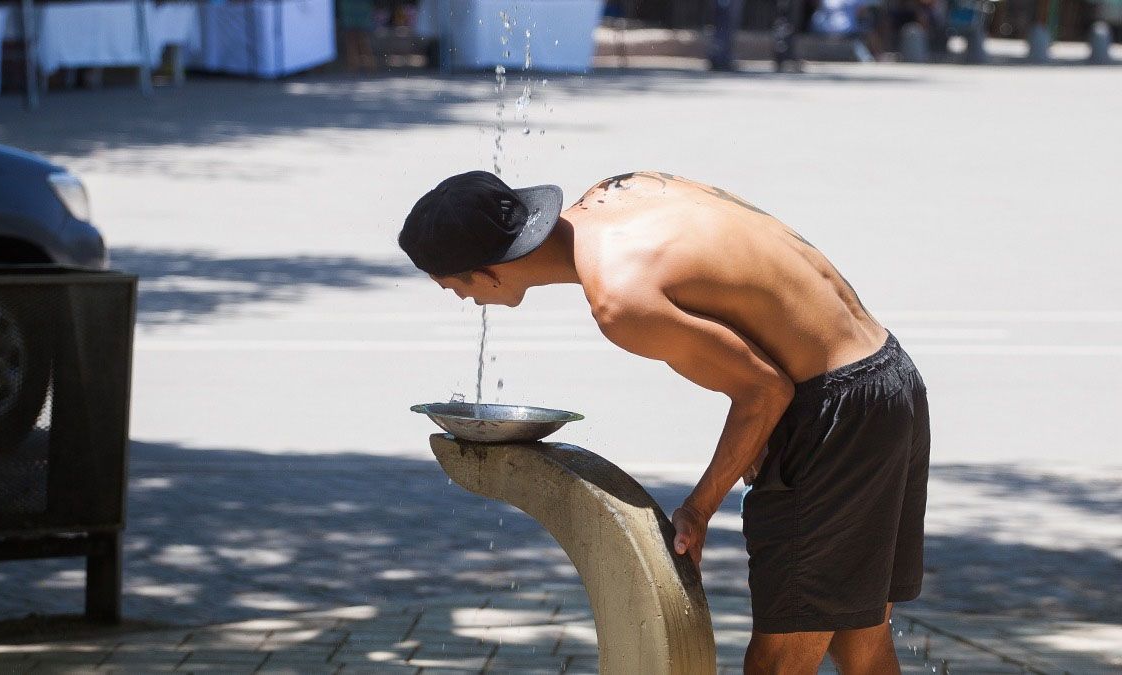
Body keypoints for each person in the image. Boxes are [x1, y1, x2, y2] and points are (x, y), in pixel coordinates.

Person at [399, 170, 930, 674]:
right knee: (859, 642)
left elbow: (765, 390)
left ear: (488, 271)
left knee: (776, 662)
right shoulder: (618, 193)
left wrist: (697, 511)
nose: (464, 300)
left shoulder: (620, 300)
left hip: (836, 420)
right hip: (888, 377)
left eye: (453, 287)